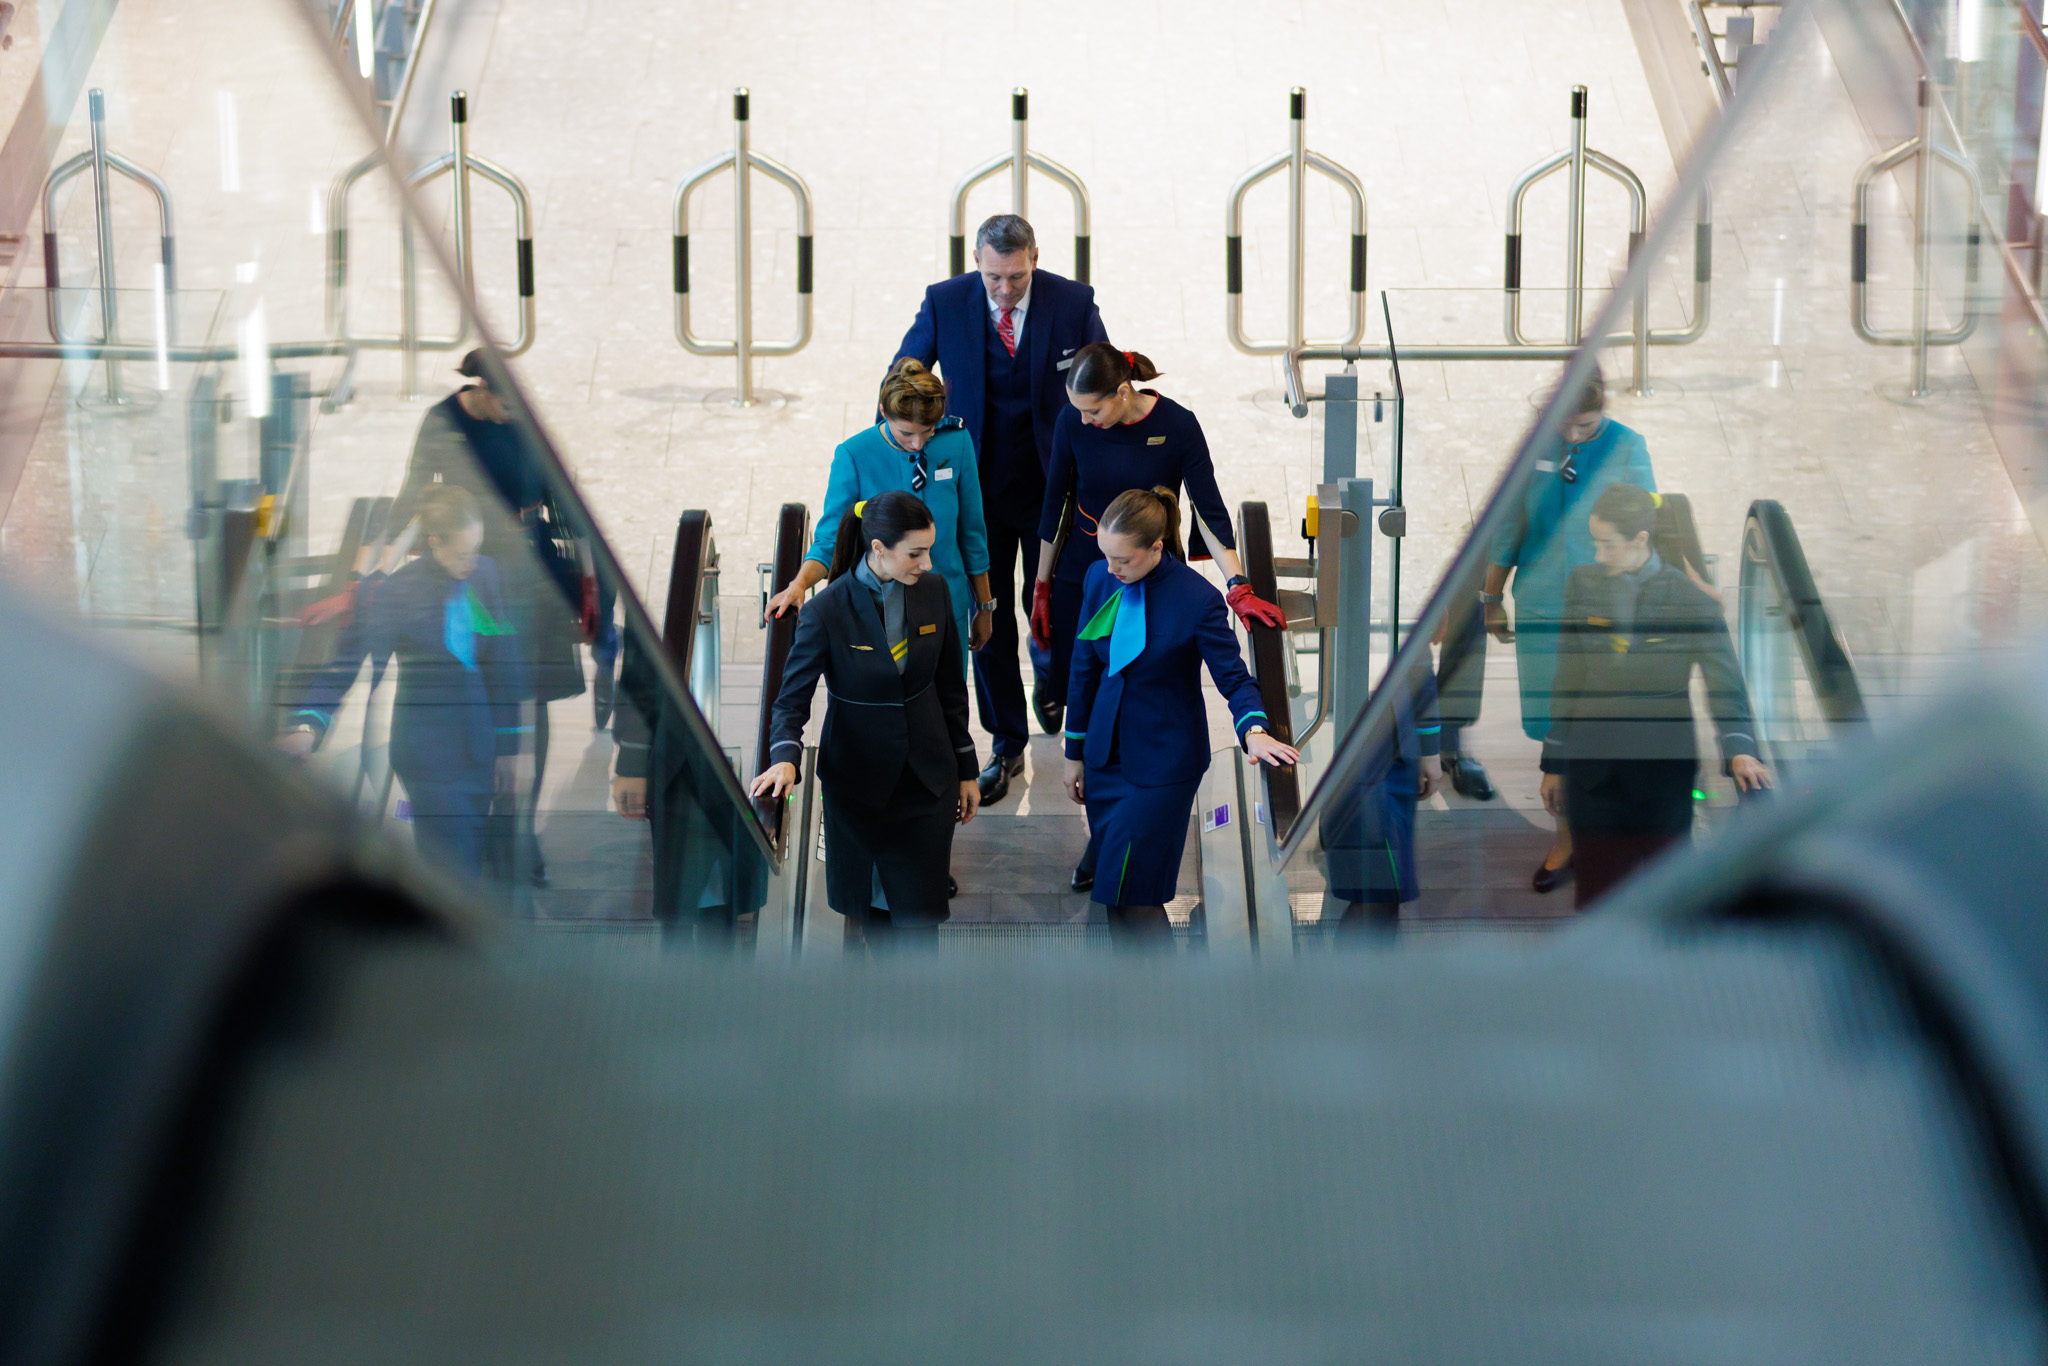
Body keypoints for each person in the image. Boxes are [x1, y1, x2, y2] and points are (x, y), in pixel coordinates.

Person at [1028, 342, 1286, 890]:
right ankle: (1107, 833)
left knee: (1145, 679)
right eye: (1077, 410)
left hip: (1152, 565)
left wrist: (1236, 584)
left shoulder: (1177, 426)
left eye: (1094, 409)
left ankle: (1124, 837)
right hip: (1094, 569)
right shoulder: (1075, 424)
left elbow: (1209, 510)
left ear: (1123, 393)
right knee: (1091, 681)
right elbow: (1056, 503)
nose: (1084, 420)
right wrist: (1043, 583)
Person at [893, 213, 1110, 801]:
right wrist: (914, 447)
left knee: (1056, 602)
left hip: (1050, 485)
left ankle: (1050, 670)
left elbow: (1105, 374)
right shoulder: (945, 302)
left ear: (1035, 257)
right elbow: (903, 377)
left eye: (1016, 276)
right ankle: (1006, 743)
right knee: (985, 618)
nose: (1005, 290)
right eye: (994, 278)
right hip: (975, 491)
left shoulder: (1073, 301)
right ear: (976, 263)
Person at [393, 349, 609, 886]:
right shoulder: (444, 422)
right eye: (505, 403)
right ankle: (478, 822)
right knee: (481, 692)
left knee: (530, 697)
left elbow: (564, 500)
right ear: (481, 389)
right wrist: (374, 566)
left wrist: (589, 583)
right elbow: (412, 497)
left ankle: (518, 829)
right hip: (470, 570)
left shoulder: (522, 419)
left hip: (532, 571)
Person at [1062, 488, 1300, 945]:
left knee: (1135, 895)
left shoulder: (1197, 599)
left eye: (1123, 561)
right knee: (1117, 893)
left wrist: (1253, 729)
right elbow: (1083, 666)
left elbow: (1233, 676)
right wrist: (1074, 751)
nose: (1112, 569)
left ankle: (1164, 1002)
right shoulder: (1099, 577)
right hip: (1105, 758)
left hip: (1162, 767)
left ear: (1155, 548)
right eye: (1106, 557)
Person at [752, 492, 981, 949]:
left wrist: (968, 770)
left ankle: (916, 1015)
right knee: (874, 917)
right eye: (916, 553)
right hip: (860, 789)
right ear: (879, 548)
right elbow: (790, 702)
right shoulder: (826, 611)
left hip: (927, 781)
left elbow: (952, 689)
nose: (928, 563)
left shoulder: (935, 593)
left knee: (920, 921)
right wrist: (785, 758)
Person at [1539, 483, 1772, 909]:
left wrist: (1739, 749)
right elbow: (1568, 678)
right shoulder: (1583, 584)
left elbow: (1725, 684)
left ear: (1640, 541)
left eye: (1607, 545)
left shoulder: (1690, 601)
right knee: (1597, 892)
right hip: (1593, 772)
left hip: (1661, 775)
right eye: (1595, 543)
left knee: (1666, 890)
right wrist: (1553, 763)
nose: (1597, 556)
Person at [280, 485, 531, 879]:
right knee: (454, 867)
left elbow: (504, 664)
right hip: (429, 756)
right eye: (462, 553)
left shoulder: (486, 574)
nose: (471, 562)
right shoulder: (397, 594)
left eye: (476, 549)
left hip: (478, 747)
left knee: (466, 859)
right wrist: (308, 724)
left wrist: (509, 745)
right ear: (435, 543)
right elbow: (345, 664)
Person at [1482, 369, 1654, 895]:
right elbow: (1510, 525)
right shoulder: (1535, 445)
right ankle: (1568, 836)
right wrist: (1491, 596)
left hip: (1608, 610)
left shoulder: (1629, 447)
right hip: (1543, 608)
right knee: (1558, 728)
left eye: (1585, 425)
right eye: (1565, 425)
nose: (1573, 435)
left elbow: (1646, 525)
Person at [1321, 650, 1442, 935]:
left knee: (1380, 892)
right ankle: (1352, 977)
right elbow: (1417, 659)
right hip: (1379, 756)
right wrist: (1430, 743)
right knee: (1381, 892)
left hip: (1379, 746)